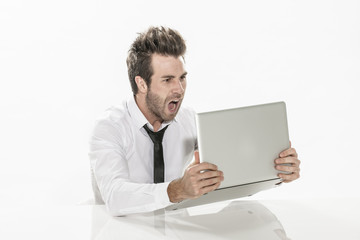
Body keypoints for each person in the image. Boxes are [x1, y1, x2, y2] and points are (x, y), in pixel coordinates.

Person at [89, 26, 301, 216]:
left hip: (176, 228)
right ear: (141, 84)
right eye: (167, 80)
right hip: (118, 231)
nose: (179, 90)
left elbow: (234, 167)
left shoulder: (188, 119)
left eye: (182, 77)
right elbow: (115, 196)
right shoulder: (110, 127)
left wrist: (277, 171)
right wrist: (177, 190)